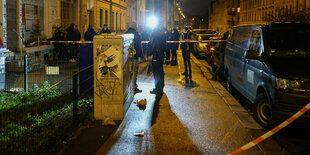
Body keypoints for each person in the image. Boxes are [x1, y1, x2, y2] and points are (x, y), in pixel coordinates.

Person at [125, 22, 144, 93]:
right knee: (134, 71)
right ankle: (134, 87)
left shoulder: (125, 33)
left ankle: (127, 86)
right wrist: (142, 56)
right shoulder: (137, 34)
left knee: (127, 72)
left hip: (126, 57)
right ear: (135, 26)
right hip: (135, 57)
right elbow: (139, 46)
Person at [149, 26, 166, 95]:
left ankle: (158, 89)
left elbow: (153, 47)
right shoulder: (163, 36)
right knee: (160, 72)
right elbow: (165, 47)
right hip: (161, 56)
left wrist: (151, 53)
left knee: (156, 73)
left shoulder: (155, 37)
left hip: (156, 56)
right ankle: (160, 88)